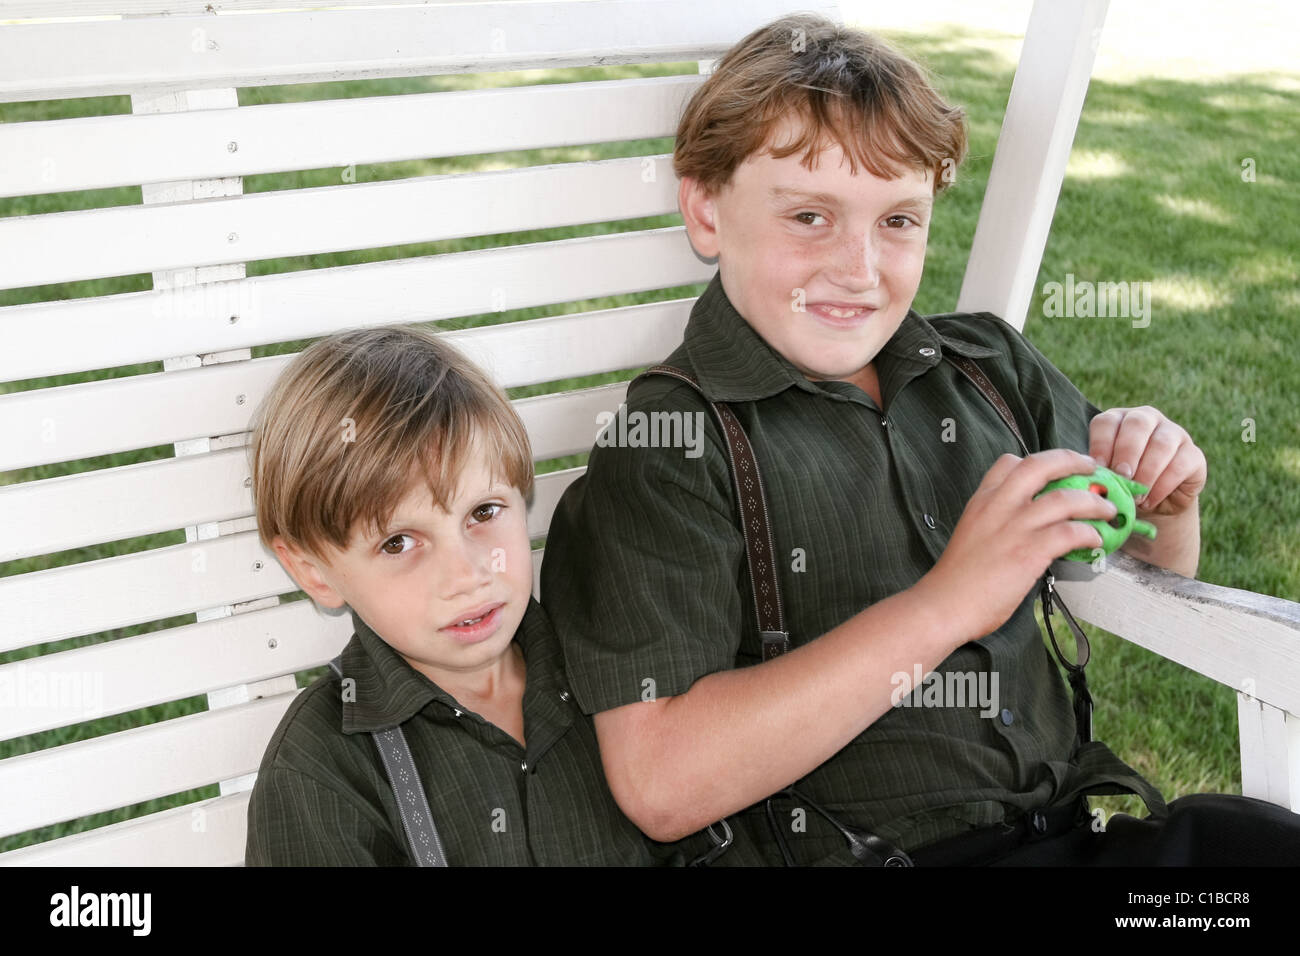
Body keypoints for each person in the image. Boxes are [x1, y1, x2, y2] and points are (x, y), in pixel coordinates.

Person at [540, 13, 1300, 865]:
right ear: (705, 210)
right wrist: (950, 603)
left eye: (898, 221)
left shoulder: (984, 367)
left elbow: (1147, 574)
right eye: (809, 216)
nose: (859, 268)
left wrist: (1164, 502)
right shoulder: (672, 449)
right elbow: (662, 784)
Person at [243, 326, 667, 865]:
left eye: (483, 513)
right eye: (399, 542)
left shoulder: (611, 662)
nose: (467, 574)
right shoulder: (319, 771)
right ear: (314, 571)